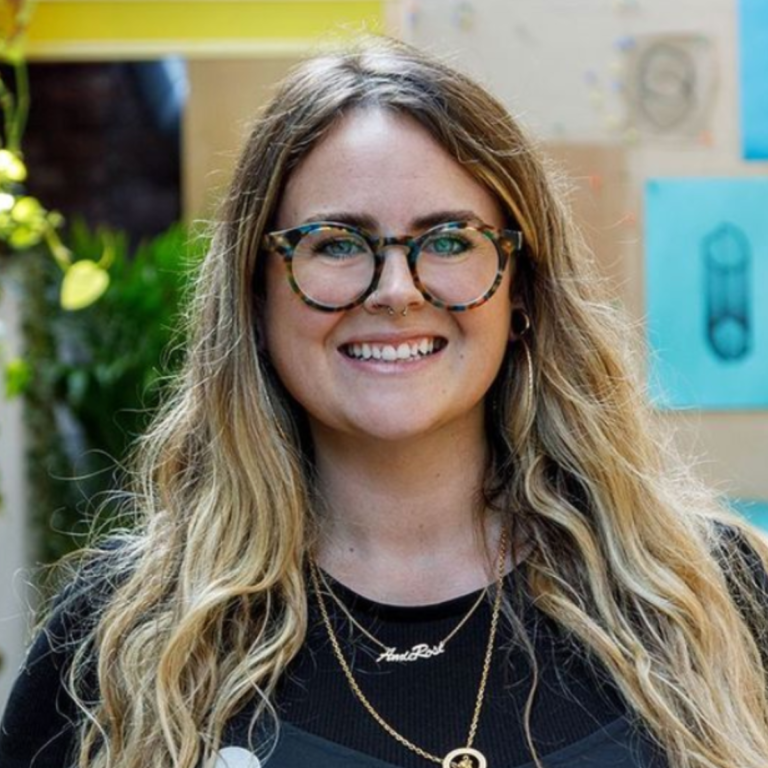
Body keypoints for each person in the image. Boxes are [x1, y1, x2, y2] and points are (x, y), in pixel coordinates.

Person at [1, 36, 768, 768]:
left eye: (448, 241)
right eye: (336, 242)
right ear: (256, 297)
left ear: (523, 289)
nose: (397, 291)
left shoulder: (710, 595)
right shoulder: (121, 637)